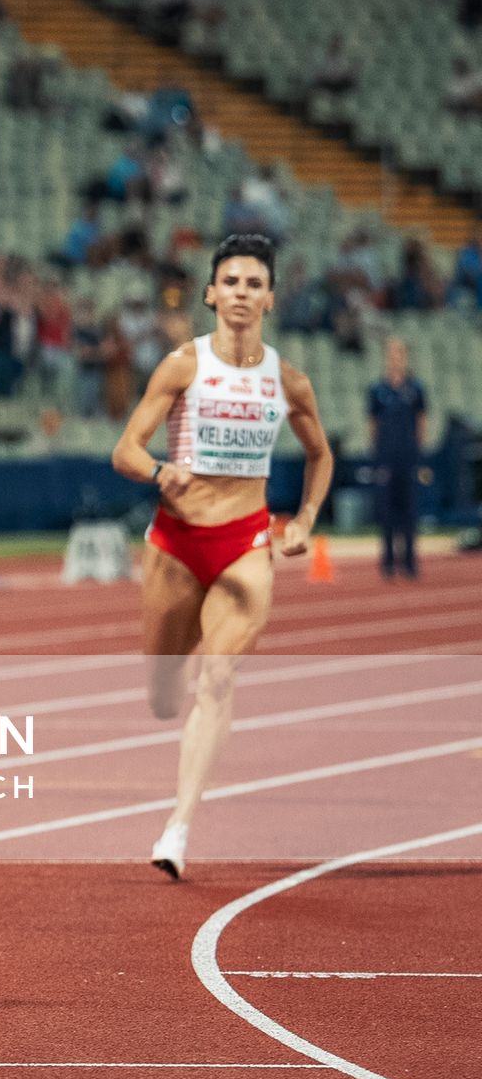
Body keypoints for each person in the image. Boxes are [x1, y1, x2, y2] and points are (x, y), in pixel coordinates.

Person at [110, 234, 333, 881]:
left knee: (218, 677)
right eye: (230, 282)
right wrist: (158, 473)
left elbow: (321, 455)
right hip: (176, 545)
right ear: (211, 293)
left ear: (270, 298)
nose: (240, 293)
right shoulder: (183, 365)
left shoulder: (288, 381)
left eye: (253, 283)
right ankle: (167, 703)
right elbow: (124, 450)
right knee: (163, 695)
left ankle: (178, 826)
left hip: (244, 543)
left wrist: (306, 521)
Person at [367, 337, 427, 581]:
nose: (396, 358)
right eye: (392, 353)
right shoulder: (377, 390)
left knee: (409, 510)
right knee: (387, 511)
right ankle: (389, 563)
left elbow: (422, 421)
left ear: (405, 357)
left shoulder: (416, 389)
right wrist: (377, 451)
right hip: (386, 457)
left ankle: (410, 562)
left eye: (399, 353)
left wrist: (418, 450)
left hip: (408, 456)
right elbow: (372, 423)